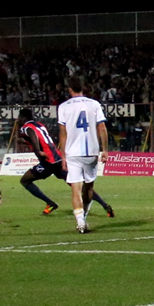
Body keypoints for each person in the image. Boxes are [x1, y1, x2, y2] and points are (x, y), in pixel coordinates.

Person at [16, 108, 114, 217]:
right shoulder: (39, 125)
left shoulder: (26, 127)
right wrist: (26, 142)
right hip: (57, 159)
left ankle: (50, 203)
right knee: (78, 185)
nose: (18, 120)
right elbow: (40, 138)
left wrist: (38, 150)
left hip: (48, 162)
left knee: (25, 181)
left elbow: (32, 134)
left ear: (23, 118)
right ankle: (105, 206)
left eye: (19, 117)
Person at [57, 76, 109, 234]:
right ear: (83, 88)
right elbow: (102, 127)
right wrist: (105, 149)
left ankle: (80, 222)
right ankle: (83, 217)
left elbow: (63, 133)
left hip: (73, 153)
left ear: (70, 89)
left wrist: (63, 155)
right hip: (91, 151)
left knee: (75, 188)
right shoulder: (94, 104)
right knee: (89, 187)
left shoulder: (63, 107)